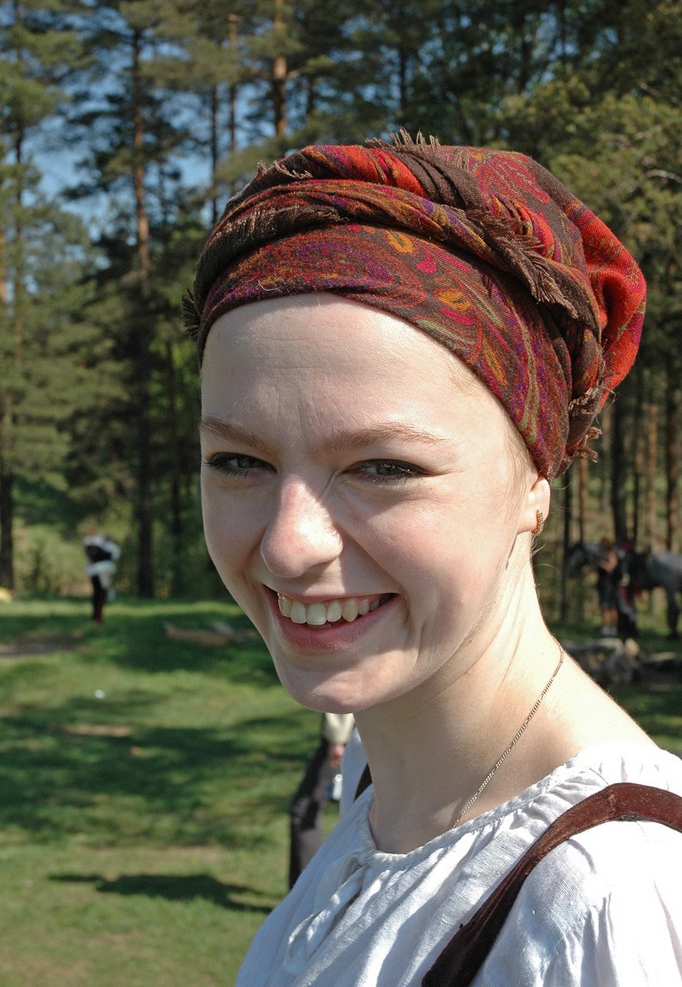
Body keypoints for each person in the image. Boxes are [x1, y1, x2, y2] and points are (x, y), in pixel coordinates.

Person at [185, 136, 682, 985]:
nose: (288, 544)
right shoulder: (383, 785)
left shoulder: (607, 902)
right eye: (239, 461)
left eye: (384, 468)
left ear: (535, 478)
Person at [289, 711, 354, 888]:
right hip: (360, 731)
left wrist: (337, 738)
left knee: (304, 811)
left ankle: (308, 890)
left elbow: (344, 696)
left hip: (347, 734)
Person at [82, 531, 120, 623]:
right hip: (102, 571)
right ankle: (98, 616)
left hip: (95, 571)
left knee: (98, 593)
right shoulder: (110, 546)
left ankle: (97, 615)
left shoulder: (95, 544)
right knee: (101, 593)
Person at [596, 537, 621, 636]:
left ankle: (612, 628)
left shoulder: (611, 554)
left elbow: (611, 567)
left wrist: (602, 564)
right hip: (603, 584)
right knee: (604, 606)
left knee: (610, 607)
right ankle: (605, 627)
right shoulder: (601, 555)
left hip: (610, 585)